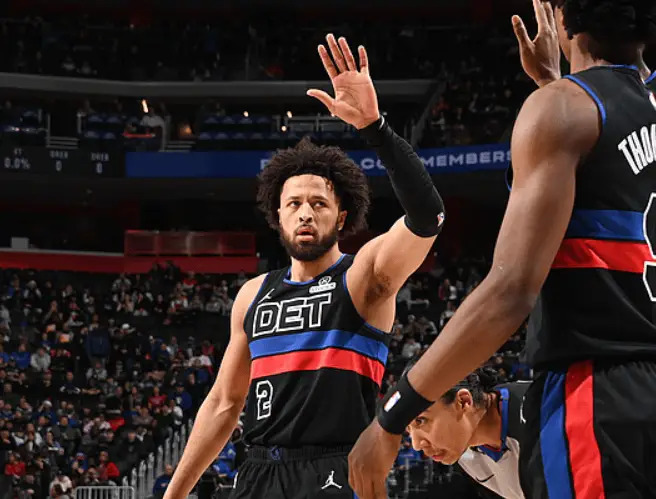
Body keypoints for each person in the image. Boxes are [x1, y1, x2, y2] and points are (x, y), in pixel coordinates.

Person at [348, 1, 656, 498]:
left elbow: (510, 293)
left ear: (564, 18)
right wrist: (554, 82)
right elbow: (614, 166)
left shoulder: (564, 109)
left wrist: (392, 416)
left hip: (597, 396)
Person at [163, 33, 445, 499]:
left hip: (335, 468)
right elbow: (224, 404)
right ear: (278, 216)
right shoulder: (253, 294)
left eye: (319, 203)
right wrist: (173, 495)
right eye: (293, 204)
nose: (306, 213)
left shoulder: (363, 277)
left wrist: (375, 128)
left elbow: (428, 216)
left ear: (343, 217)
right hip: (257, 472)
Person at [402, 358, 529, 499]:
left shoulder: (538, 413)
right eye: (408, 429)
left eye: (421, 421)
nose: (416, 445)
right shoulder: (463, 456)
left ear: (463, 402)